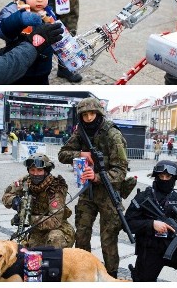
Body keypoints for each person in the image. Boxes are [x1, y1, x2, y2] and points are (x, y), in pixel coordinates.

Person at [58, 97, 128, 279]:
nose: (88, 118)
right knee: (81, 234)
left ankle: (111, 276)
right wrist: (80, 153)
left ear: (98, 113)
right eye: (85, 115)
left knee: (108, 238)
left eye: (92, 114)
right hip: (87, 192)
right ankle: (81, 271)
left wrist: (96, 176)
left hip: (108, 193)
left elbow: (121, 171)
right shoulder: (80, 132)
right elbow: (62, 154)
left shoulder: (113, 135)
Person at [125, 161, 177, 281]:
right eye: (161, 176)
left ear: (174, 178)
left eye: (168, 177)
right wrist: (151, 224)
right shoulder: (143, 197)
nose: (164, 180)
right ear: (156, 176)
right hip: (150, 250)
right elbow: (127, 222)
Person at [0, 0, 64, 84]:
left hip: (43, 67)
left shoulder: (48, 12)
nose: (39, 0)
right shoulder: (14, 8)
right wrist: (20, 19)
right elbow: (0, 30)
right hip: (18, 67)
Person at [2, 155, 75, 248]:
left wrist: (28, 219)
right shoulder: (25, 181)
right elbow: (6, 195)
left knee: (54, 240)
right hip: (37, 231)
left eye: (39, 170)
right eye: (32, 170)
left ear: (46, 171)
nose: (35, 174)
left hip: (60, 230)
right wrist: (14, 201)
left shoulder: (55, 187)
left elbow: (55, 221)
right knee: (24, 252)